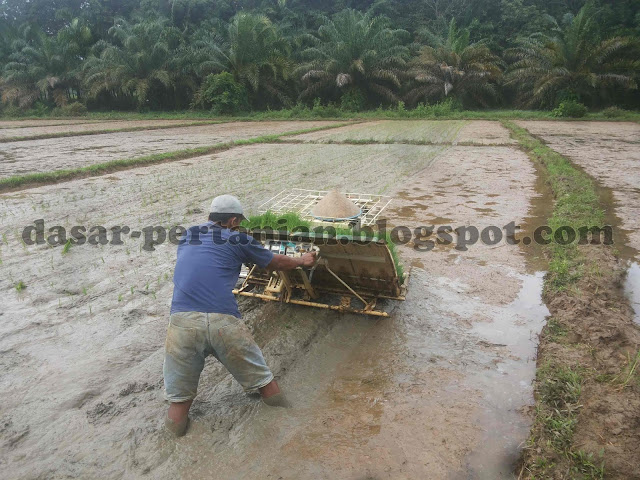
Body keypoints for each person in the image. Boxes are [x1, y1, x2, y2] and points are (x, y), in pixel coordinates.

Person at [163, 194, 316, 437]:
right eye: (239, 222)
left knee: (179, 400)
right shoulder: (238, 238)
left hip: (182, 321)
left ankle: (172, 439)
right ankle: (292, 423)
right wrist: (303, 260)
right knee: (263, 382)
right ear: (234, 220)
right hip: (223, 320)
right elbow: (275, 262)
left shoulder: (189, 235)